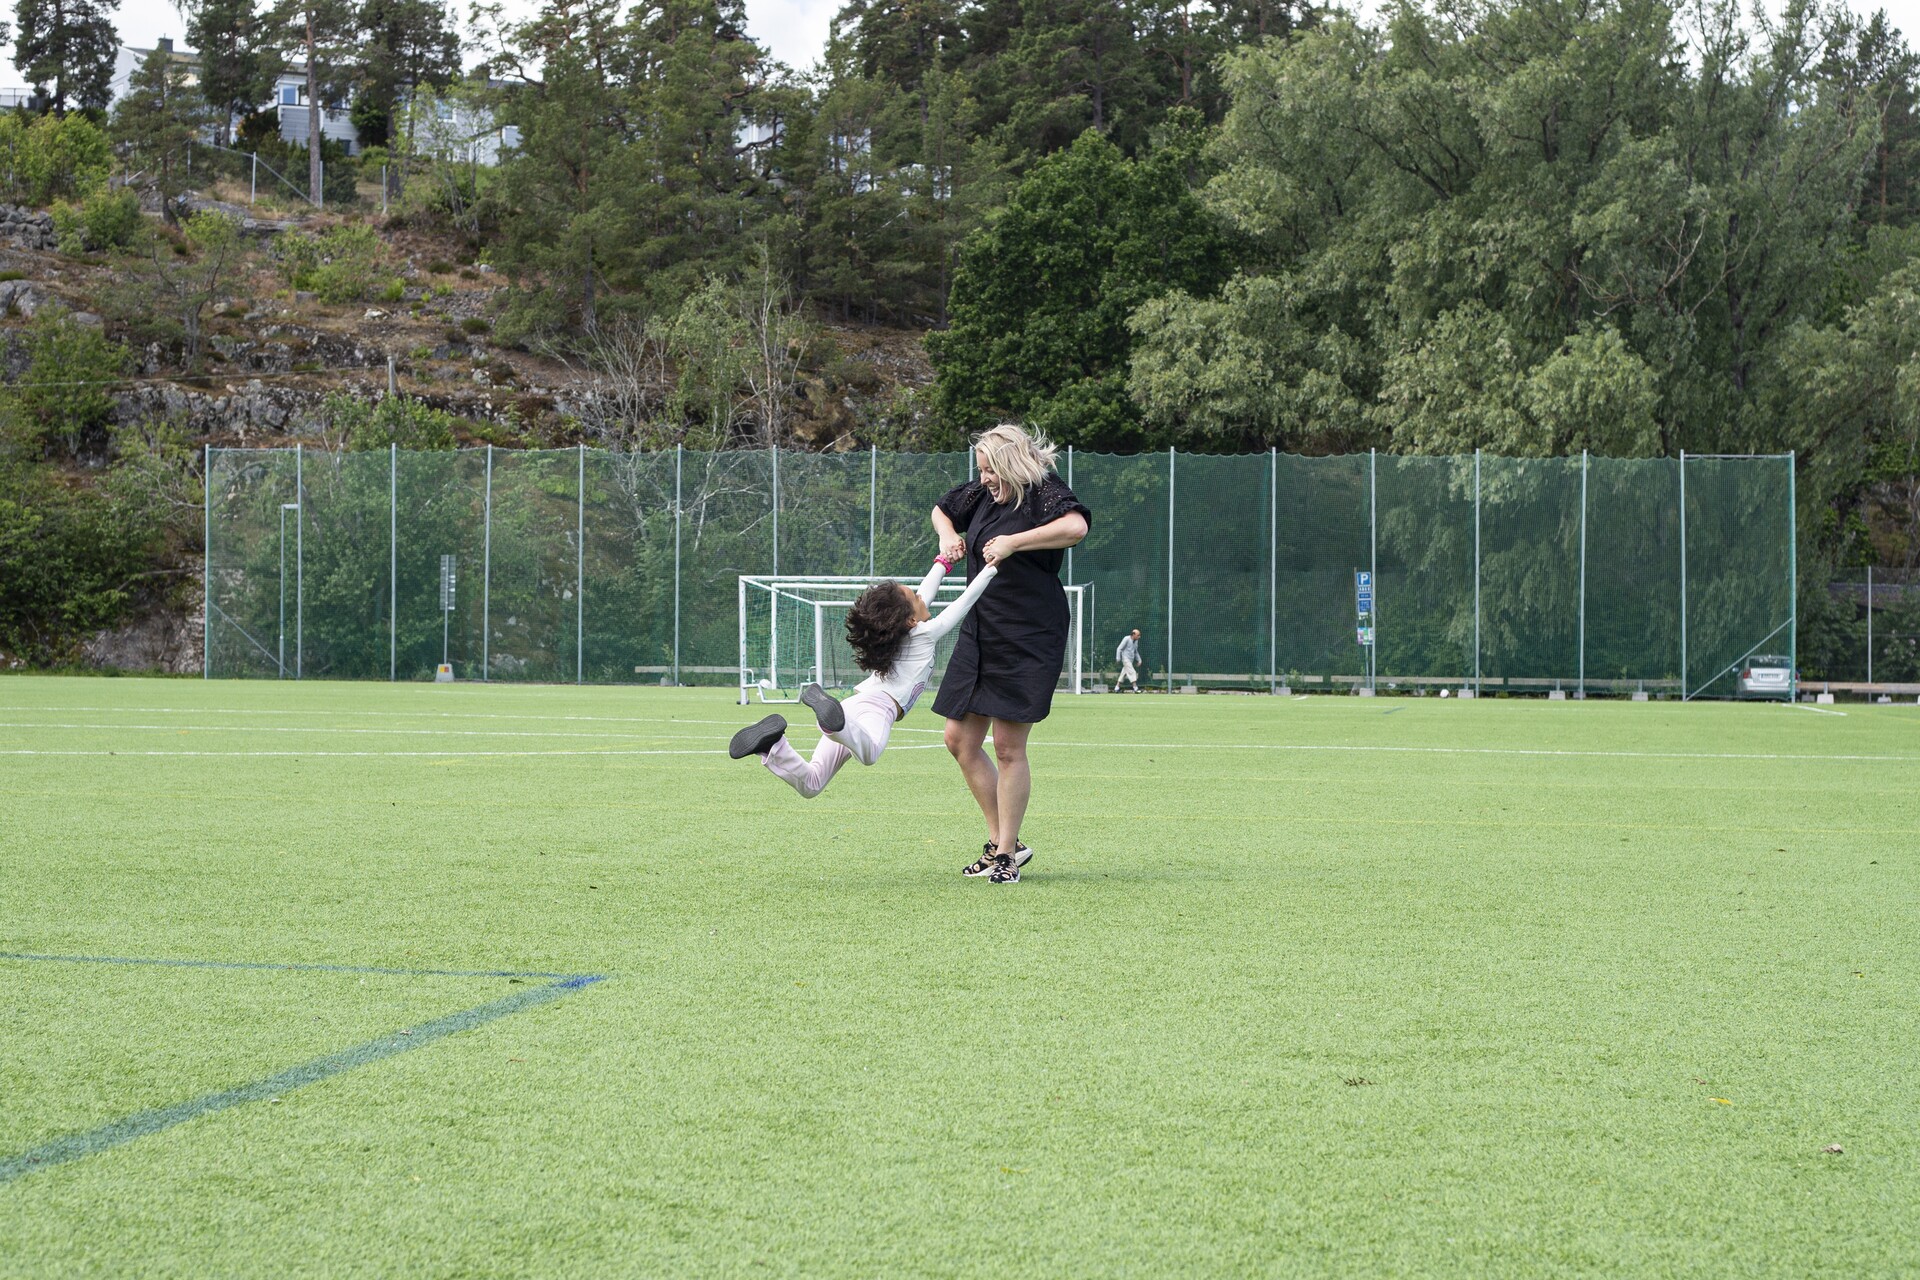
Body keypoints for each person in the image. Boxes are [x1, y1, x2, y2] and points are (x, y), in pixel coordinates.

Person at [930, 424, 1091, 884]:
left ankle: (1004, 855)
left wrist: (1015, 542)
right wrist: (947, 536)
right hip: (981, 629)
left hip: (1028, 634)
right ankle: (1007, 842)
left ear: (1011, 464)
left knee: (1006, 746)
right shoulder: (982, 494)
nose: (984, 479)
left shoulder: (1042, 491)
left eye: (990, 470)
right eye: (980, 471)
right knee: (958, 739)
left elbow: (1075, 527)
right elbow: (943, 510)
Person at [729, 557, 998, 799]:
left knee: (812, 784)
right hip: (875, 709)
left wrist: (943, 562)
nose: (920, 596)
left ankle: (773, 745)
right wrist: (991, 569)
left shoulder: (906, 630)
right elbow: (963, 604)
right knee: (870, 754)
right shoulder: (925, 633)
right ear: (911, 620)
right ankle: (833, 726)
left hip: (852, 706)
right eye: (915, 598)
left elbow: (923, 593)